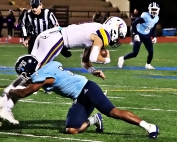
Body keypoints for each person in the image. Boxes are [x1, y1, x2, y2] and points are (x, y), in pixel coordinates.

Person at [0, 17, 127, 124]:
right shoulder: (103, 33)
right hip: (56, 39)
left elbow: (85, 61)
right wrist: (107, 60)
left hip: (49, 36)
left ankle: (5, 103)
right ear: (115, 28)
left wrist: (93, 70)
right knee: (34, 72)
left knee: (31, 73)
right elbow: (94, 57)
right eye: (119, 35)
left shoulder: (96, 29)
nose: (117, 39)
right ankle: (6, 103)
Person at [1, 54, 159, 138]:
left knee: (113, 112)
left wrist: (10, 91)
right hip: (79, 97)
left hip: (88, 89)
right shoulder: (49, 65)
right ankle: (94, 119)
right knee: (71, 129)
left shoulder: (41, 75)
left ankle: (149, 126)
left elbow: (24, 92)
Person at [118, 2, 160, 70]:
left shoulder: (156, 18)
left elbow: (153, 28)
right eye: (153, 9)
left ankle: (148, 64)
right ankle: (122, 58)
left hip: (147, 35)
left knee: (151, 52)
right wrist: (136, 34)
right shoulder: (145, 16)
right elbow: (134, 23)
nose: (154, 11)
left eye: (155, 9)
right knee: (135, 53)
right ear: (149, 9)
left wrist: (154, 36)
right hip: (139, 34)